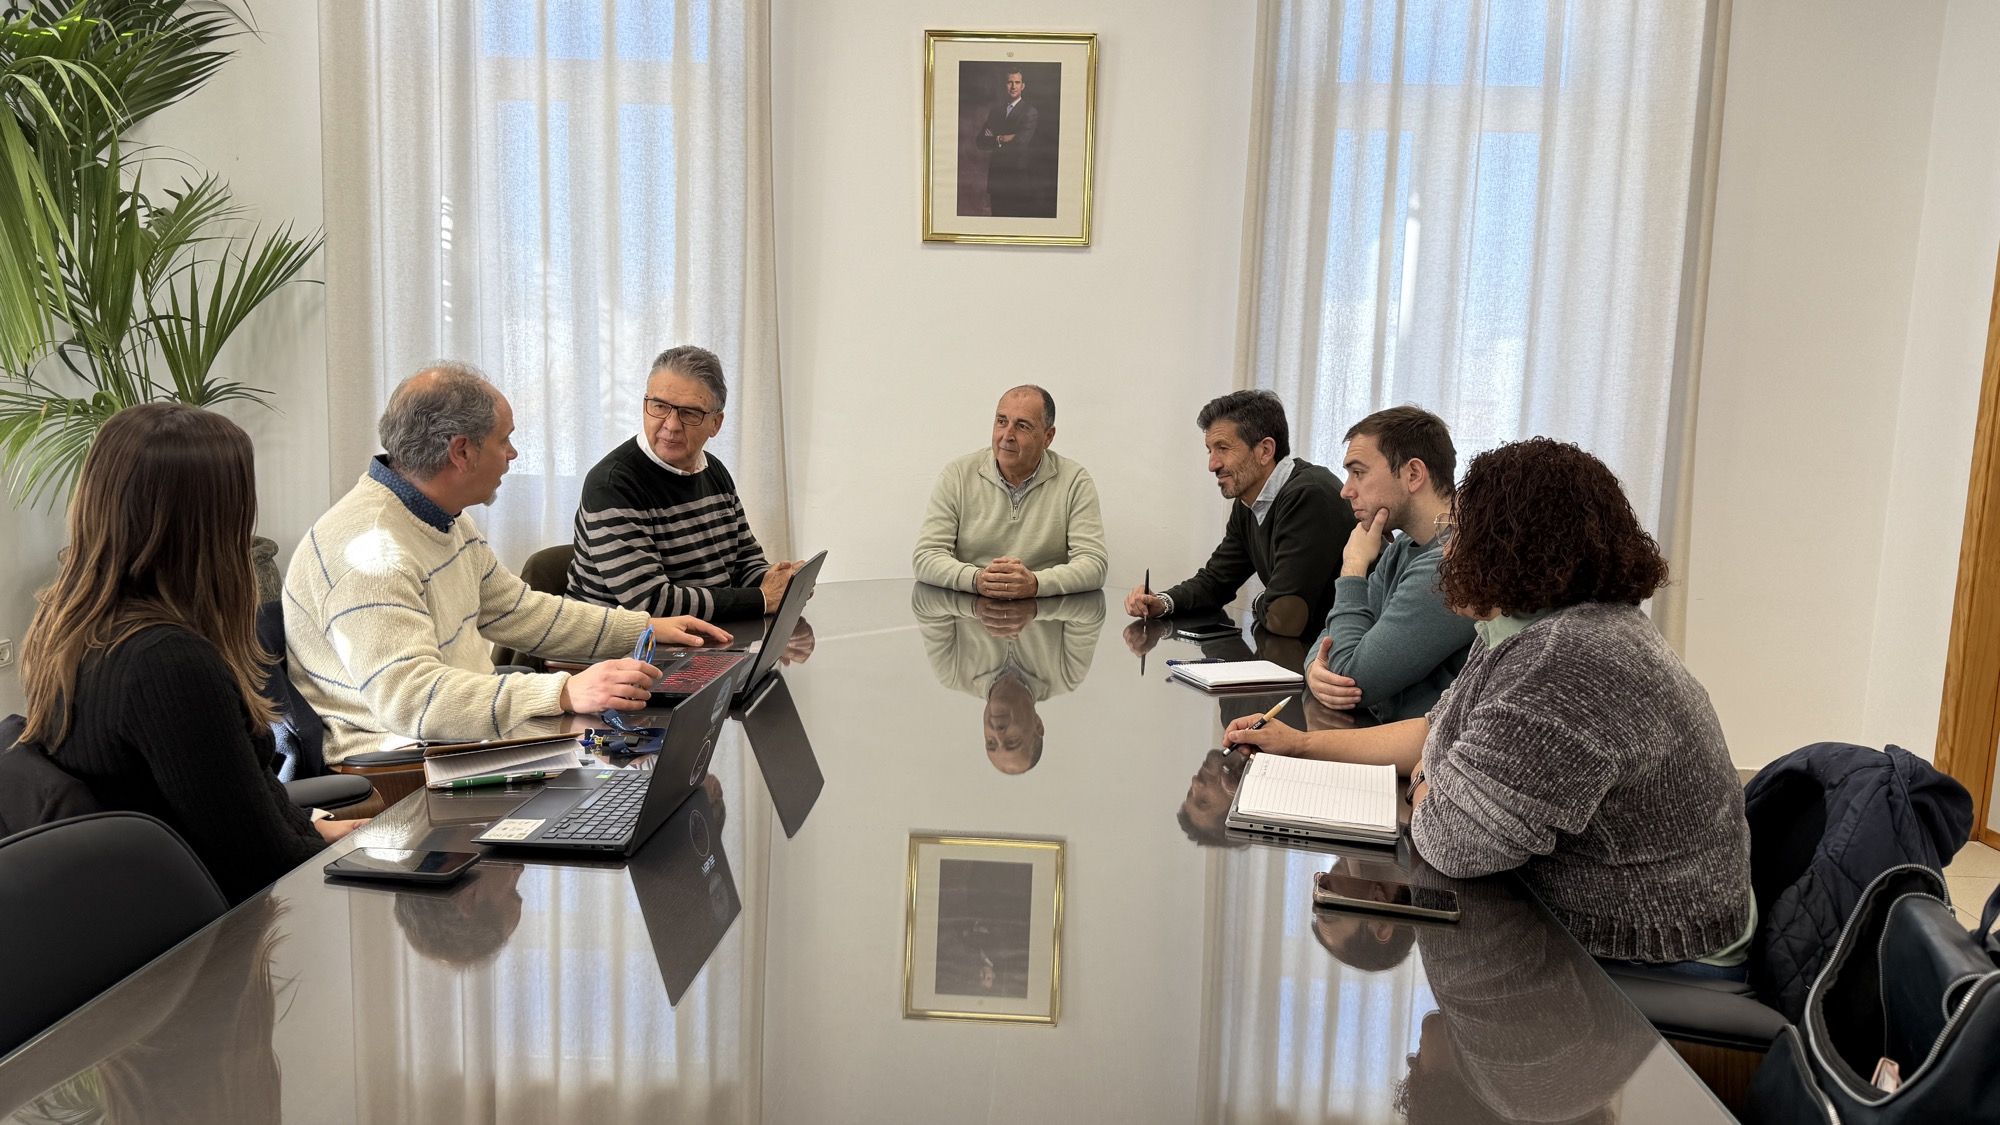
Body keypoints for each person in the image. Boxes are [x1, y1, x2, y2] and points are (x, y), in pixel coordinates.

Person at [1226, 438, 1752, 969]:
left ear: (1517, 547)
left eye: (1464, 533)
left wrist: (1436, 777)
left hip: (1652, 940)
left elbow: (1453, 842)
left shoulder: (1568, 661)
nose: (1450, 549)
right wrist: (1300, 744)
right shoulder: (1520, 624)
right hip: (1611, 905)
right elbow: (1436, 731)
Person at [285, 362, 730, 763]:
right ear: (461, 452)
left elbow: (521, 612)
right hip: (405, 768)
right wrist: (563, 691)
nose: (513, 454)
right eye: (505, 440)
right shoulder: (372, 556)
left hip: (462, 741)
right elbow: (412, 701)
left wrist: (643, 628)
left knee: (644, 761)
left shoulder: (442, 519)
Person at [18, 404, 361, 904]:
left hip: (168, 908)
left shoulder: (70, 626)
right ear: (212, 522)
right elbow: (262, 865)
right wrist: (376, 849)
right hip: (222, 938)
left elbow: (228, 805)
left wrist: (322, 829)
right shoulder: (168, 665)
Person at [568, 345, 806, 621]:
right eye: (659, 406)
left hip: (703, 637)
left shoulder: (715, 471)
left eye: (690, 413)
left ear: (715, 423)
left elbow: (744, 563)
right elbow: (652, 603)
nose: (671, 424)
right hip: (622, 650)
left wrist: (782, 583)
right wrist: (763, 599)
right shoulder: (611, 485)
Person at [1124, 390, 1353, 637]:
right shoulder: (1249, 501)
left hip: (1345, 658)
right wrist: (1163, 603)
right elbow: (1216, 582)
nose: (1212, 464)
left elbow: (1286, 617)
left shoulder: (1309, 494)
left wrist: (1259, 603)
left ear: (1265, 450)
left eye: (1222, 448)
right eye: (1209, 450)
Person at [1307, 406, 1474, 724]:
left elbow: (1352, 678)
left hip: (1428, 762)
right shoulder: (1401, 547)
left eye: (1358, 472)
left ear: (1413, 474)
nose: (1346, 490)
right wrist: (1316, 668)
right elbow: (1335, 638)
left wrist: (1353, 567)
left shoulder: (1451, 562)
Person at [913, 385, 1107, 599]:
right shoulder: (958, 475)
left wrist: (1035, 583)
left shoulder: (1074, 481)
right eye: (1001, 421)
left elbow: (1093, 564)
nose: (1007, 435)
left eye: (1022, 426)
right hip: (970, 619)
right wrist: (977, 579)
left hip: (1045, 620)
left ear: (1048, 437)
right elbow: (926, 556)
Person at [913, 585, 1104, 774]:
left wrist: (978, 587)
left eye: (991, 742)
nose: (997, 731)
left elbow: (923, 603)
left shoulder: (951, 672)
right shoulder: (1068, 674)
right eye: (1012, 741)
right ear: (1038, 725)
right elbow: (1092, 610)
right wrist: (1034, 598)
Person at [976, 70, 1040, 217]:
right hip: (997, 181)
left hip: (1017, 181)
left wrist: (995, 137)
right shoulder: (996, 112)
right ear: (1005, 85)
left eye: (1017, 82)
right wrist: (1001, 138)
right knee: (997, 224)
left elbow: (1021, 142)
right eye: (1010, 82)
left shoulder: (1030, 112)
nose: (1013, 86)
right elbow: (981, 141)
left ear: (1023, 86)